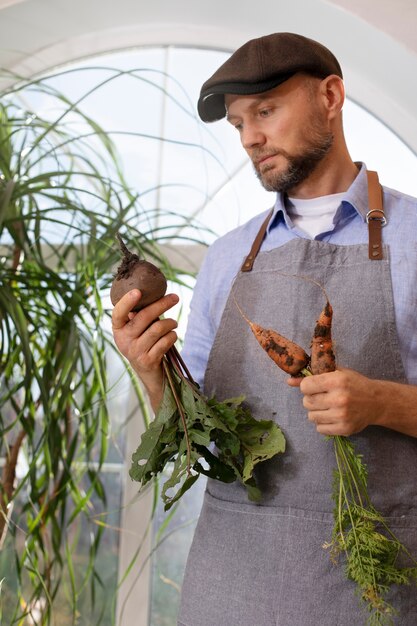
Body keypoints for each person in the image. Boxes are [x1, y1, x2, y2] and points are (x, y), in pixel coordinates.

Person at [112, 32, 417, 625]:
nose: (251, 137)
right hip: (231, 582)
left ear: (330, 96)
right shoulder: (227, 257)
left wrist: (383, 402)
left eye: (267, 111)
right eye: (238, 124)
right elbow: (195, 434)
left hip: (378, 581)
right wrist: (152, 373)